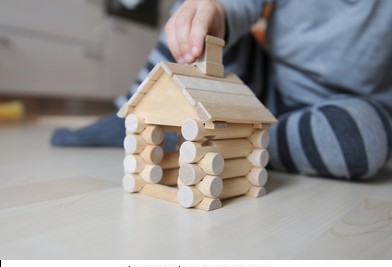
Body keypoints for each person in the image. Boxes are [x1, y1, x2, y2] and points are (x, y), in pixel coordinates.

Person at [52, 0, 392, 180]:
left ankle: (226, 140)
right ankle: (132, 113)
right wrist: (217, 8)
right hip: (267, 83)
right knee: (195, 19)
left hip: (345, 107)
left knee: (363, 136)